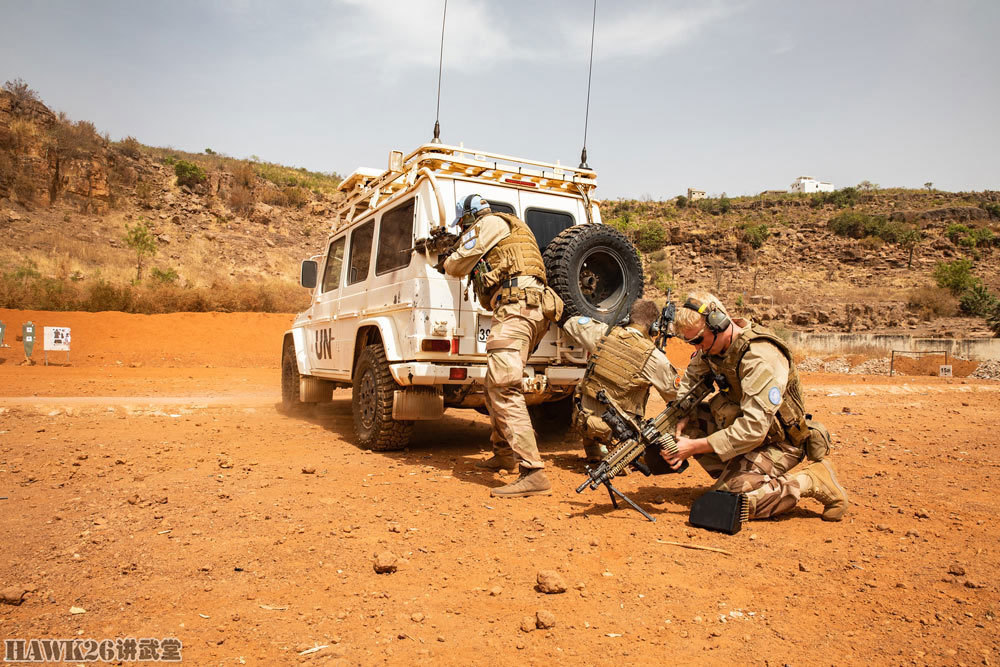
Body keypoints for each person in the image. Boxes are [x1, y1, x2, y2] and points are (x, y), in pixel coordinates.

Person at [662, 291, 849, 521]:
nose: (697, 347)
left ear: (719, 324)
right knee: (675, 423)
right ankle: (739, 473)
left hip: (779, 442)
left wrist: (693, 447)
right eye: (691, 343)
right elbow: (691, 380)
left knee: (725, 504)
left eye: (698, 340)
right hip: (744, 436)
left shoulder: (759, 357)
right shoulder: (713, 349)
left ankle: (810, 480)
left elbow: (753, 429)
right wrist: (683, 414)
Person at [441, 194, 564, 498]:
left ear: (470, 217)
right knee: (492, 382)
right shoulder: (505, 227)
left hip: (517, 308)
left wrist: (449, 253)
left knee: (505, 385)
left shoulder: (492, 223)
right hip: (526, 309)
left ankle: (532, 471)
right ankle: (503, 454)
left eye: (464, 225)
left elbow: (455, 266)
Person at [560, 299, 679, 462]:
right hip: (618, 433)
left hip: (583, 421)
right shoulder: (653, 357)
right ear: (653, 328)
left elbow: (571, 324)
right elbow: (675, 397)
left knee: (589, 388)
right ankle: (617, 453)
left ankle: (592, 448)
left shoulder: (603, 333)